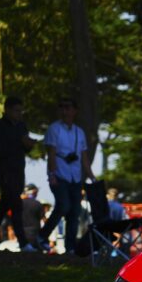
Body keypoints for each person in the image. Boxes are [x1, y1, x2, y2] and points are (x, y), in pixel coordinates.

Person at [38, 97, 96, 254]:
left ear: (75, 111)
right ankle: (42, 236)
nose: (64, 110)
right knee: (63, 206)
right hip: (59, 175)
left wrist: (92, 177)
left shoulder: (79, 132)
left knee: (74, 212)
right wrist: (51, 174)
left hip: (75, 176)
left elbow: (84, 157)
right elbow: (51, 153)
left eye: (68, 107)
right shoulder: (54, 129)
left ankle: (70, 247)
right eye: (62, 107)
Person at [0, 96, 37, 252]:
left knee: (3, 206)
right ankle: (23, 242)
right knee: (16, 204)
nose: (19, 114)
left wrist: (29, 144)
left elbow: (26, 148)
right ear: (7, 110)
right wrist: (19, 141)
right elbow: (2, 150)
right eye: (16, 110)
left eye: (21, 111)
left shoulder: (21, 126)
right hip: (5, 171)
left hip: (18, 170)